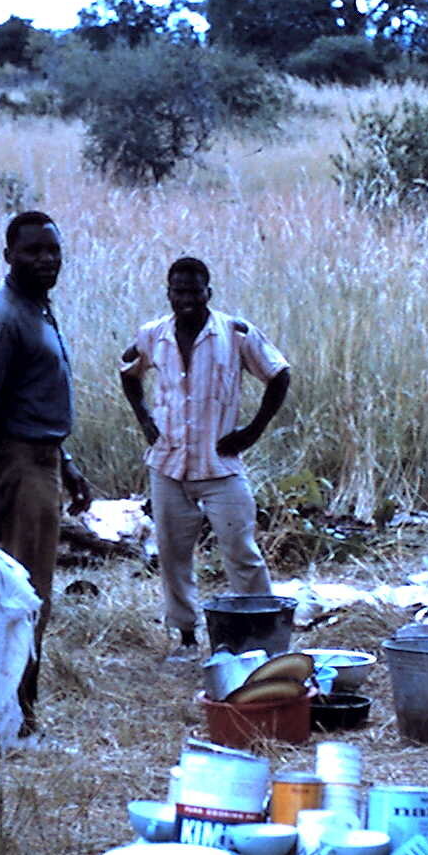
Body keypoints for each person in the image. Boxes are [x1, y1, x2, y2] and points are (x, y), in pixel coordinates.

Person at [119, 257, 293, 656]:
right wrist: (145, 420)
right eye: (179, 291)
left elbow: (279, 373)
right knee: (173, 555)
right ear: (169, 294)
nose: (187, 299)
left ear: (208, 293)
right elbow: (128, 373)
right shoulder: (152, 335)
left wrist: (252, 431)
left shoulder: (235, 333)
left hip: (220, 467)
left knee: (241, 553)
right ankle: (185, 635)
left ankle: (261, 636)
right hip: (168, 465)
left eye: (195, 291)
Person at [0, 211, 93, 735]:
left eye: (52, 251)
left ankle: (20, 710)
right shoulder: (2, 318)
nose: (46, 260)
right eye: (33, 251)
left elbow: (31, 402)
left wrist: (68, 464)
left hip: (44, 464)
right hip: (19, 472)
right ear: (8, 256)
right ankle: (12, 717)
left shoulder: (37, 310)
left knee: (34, 596)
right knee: (21, 599)